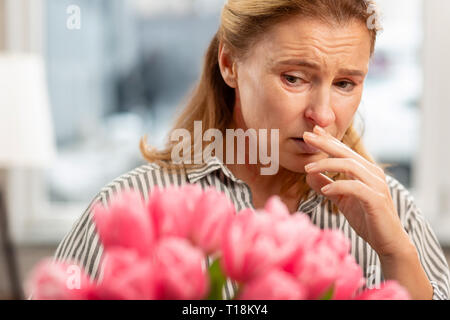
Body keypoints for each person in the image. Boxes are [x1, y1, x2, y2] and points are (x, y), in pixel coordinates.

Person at [53, 0, 450, 300]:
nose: (323, 114)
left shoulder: (389, 210)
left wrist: (395, 251)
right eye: (293, 78)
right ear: (229, 64)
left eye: (346, 83)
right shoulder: (133, 209)